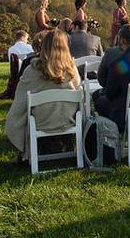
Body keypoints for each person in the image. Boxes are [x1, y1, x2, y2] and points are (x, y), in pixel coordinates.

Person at [5, 29, 81, 163]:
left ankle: (26, 151)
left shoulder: (32, 70)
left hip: (41, 121)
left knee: (19, 111)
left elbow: (19, 102)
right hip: (68, 119)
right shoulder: (72, 70)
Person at [0, 30, 34, 100]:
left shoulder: (11, 49)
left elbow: (11, 64)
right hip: (29, 71)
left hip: (16, 73)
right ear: (23, 37)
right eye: (26, 39)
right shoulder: (30, 47)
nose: (27, 41)